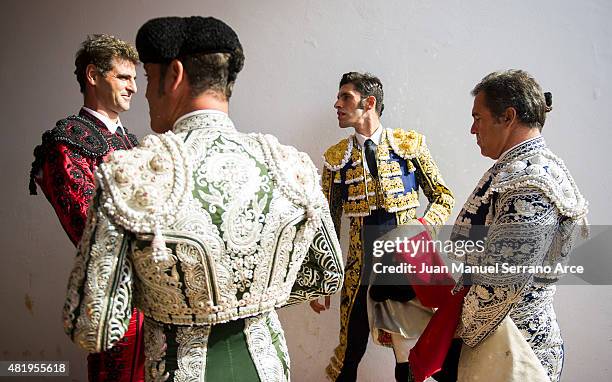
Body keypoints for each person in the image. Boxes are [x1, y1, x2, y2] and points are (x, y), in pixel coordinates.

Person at [62, 16, 344, 381]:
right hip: (268, 366)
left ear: (174, 75)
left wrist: (164, 294)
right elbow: (328, 274)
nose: (144, 93)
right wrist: (255, 295)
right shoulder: (292, 166)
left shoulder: (131, 173)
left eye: (148, 77)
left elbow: (92, 325)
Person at [313, 71, 454, 381]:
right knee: (350, 352)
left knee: (412, 352)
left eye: (345, 97)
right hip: (360, 271)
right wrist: (322, 276)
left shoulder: (409, 146)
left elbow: (443, 197)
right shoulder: (337, 159)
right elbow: (327, 220)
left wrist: (419, 230)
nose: (337, 104)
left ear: (370, 102)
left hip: (406, 267)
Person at [450, 69, 588, 381]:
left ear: (508, 116)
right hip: (509, 340)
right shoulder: (528, 169)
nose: (473, 128)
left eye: (479, 117)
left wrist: (455, 332)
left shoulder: (528, 181)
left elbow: (500, 285)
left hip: (512, 349)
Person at [29, 34, 144, 381]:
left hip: (152, 299)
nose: (134, 88)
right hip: (112, 299)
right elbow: (87, 225)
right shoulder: (68, 141)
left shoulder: (130, 140)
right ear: (93, 76)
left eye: (135, 79)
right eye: (124, 77)